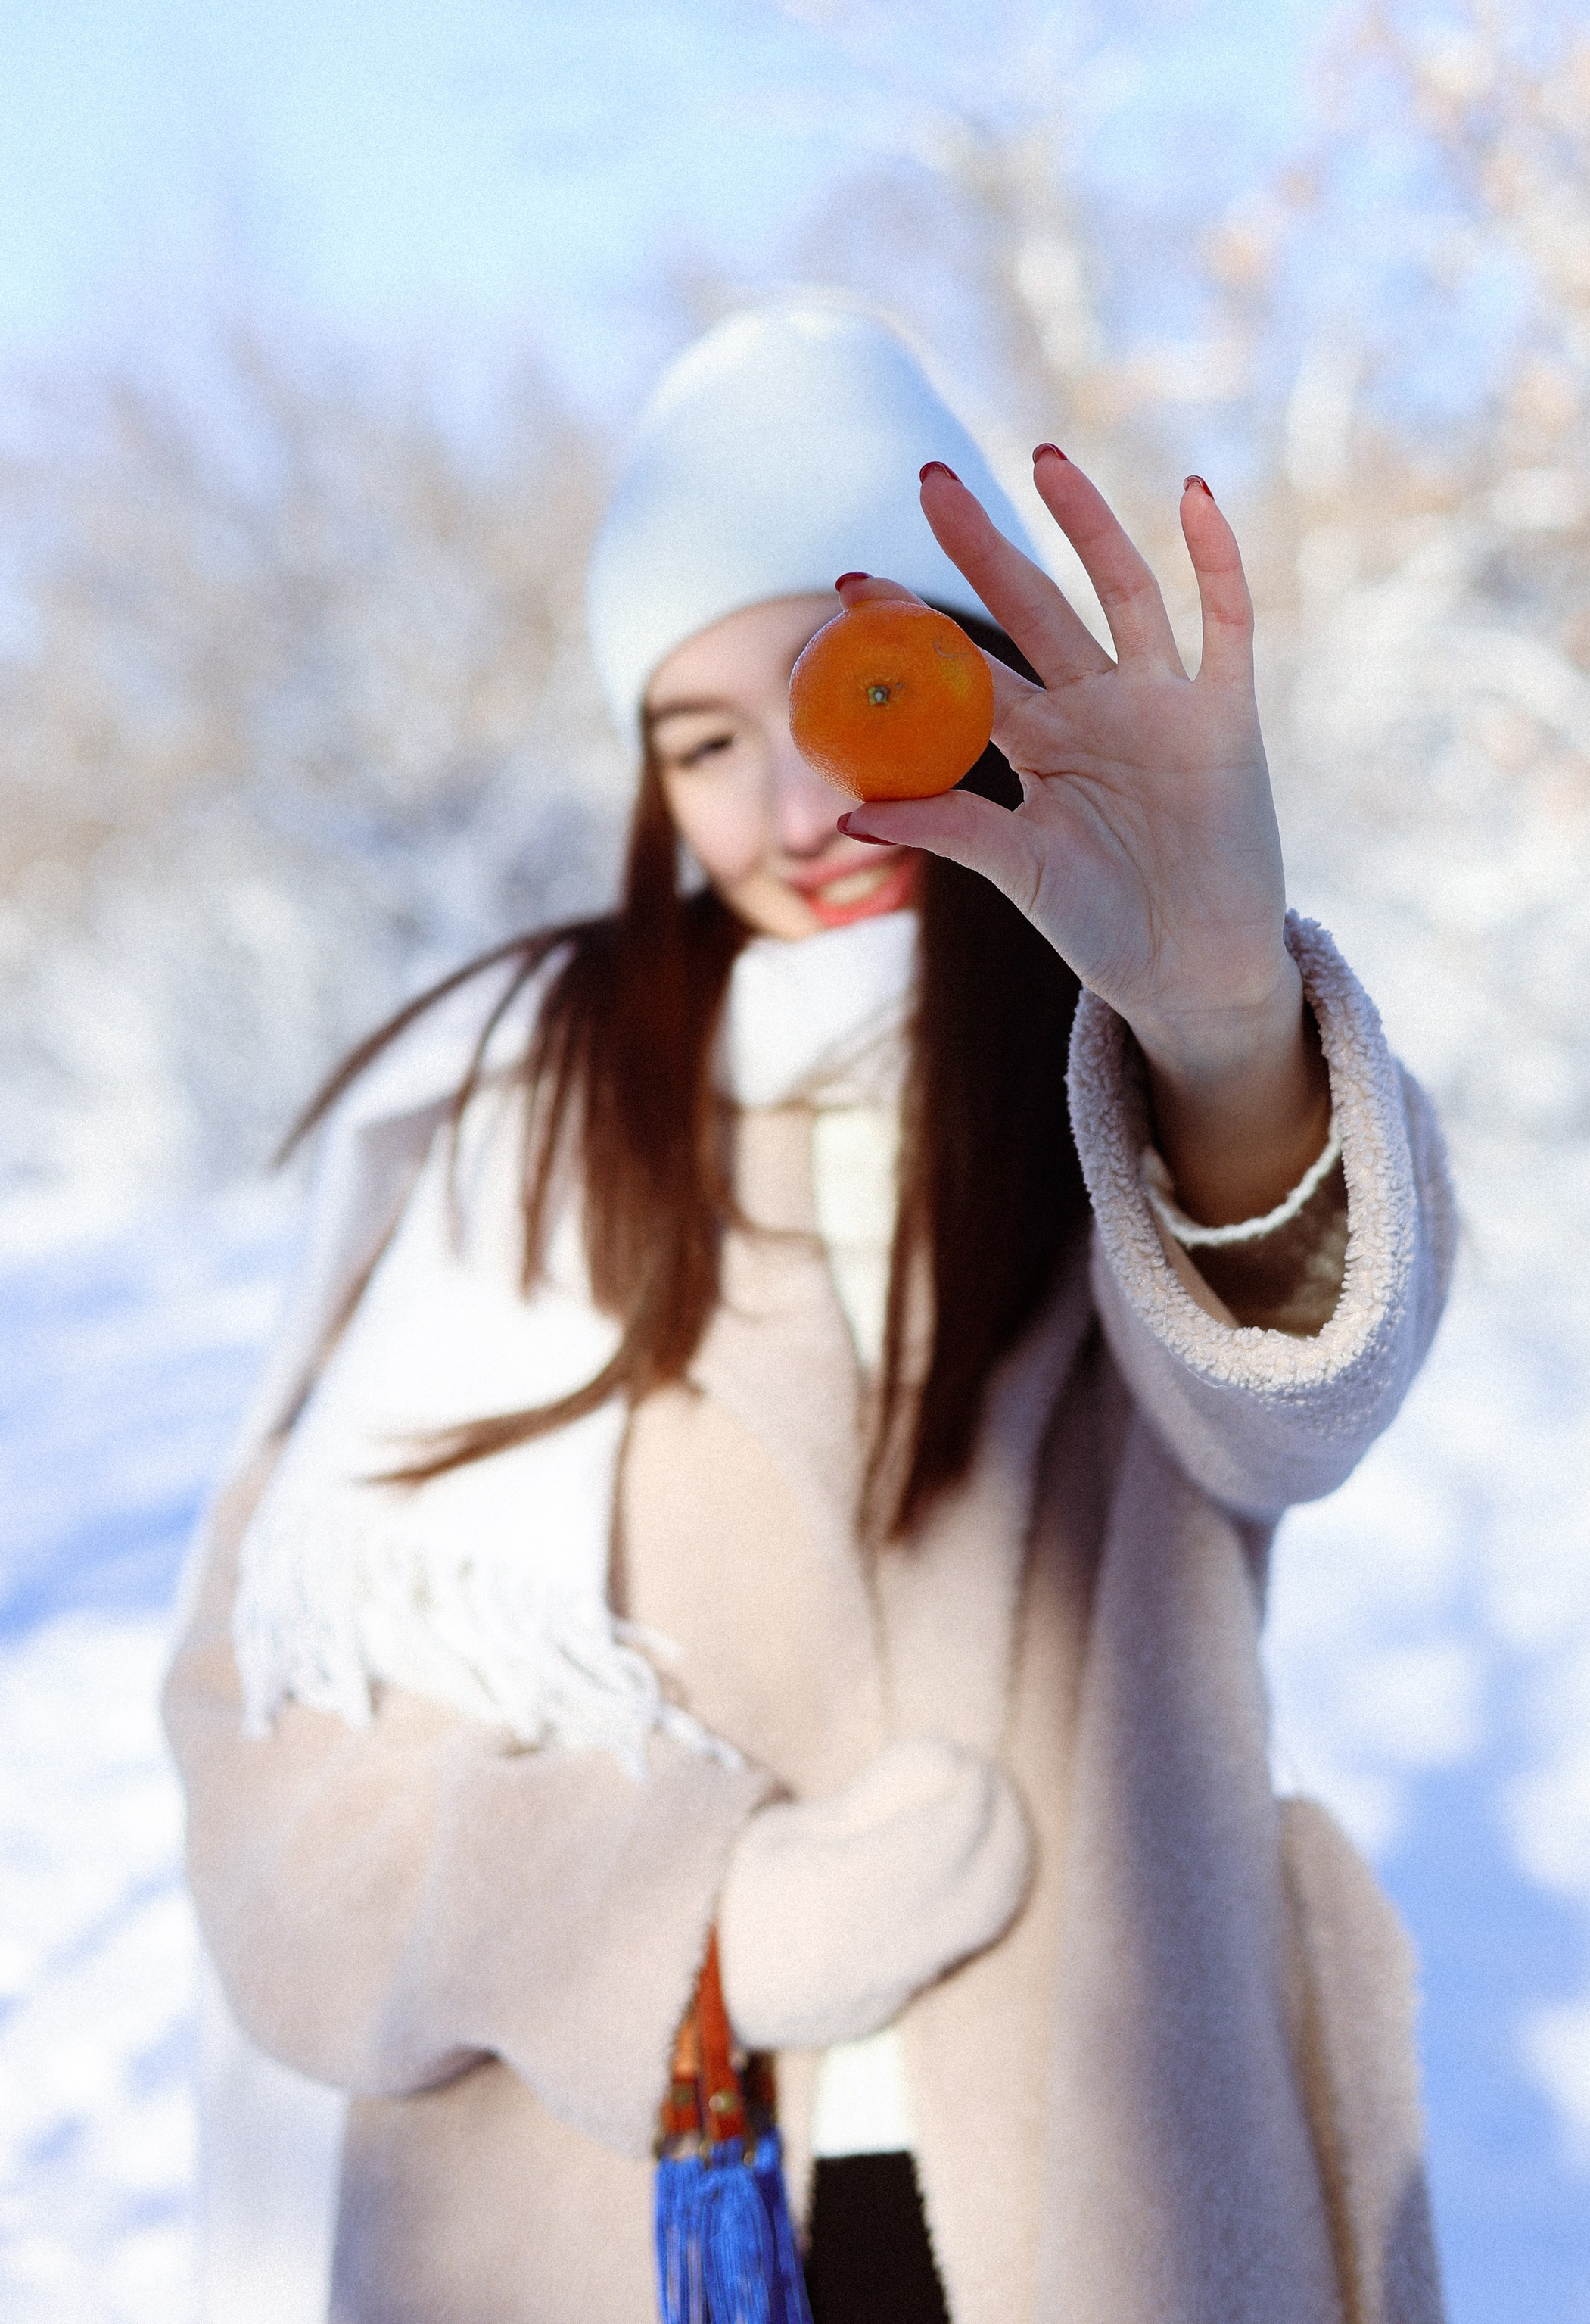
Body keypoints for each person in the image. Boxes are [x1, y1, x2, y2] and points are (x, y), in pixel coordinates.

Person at [165, 300, 1455, 2324]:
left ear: (974, 684)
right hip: (614, 2207)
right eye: (698, 743)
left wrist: (1221, 1034)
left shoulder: (1117, 1077)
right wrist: (679, 1921)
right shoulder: (495, 1135)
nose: (788, 814)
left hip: (1101, 2202)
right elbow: (270, 1767)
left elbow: (1295, 1394)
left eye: (851, 696)